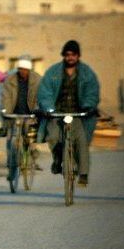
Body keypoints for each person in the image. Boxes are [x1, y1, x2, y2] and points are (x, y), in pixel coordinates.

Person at [38, 40, 100, 186]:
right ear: (64, 56)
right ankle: (58, 159)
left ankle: (83, 174)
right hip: (57, 113)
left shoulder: (86, 73)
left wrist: (88, 106)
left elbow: (92, 91)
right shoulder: (53, 72)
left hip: (77, 114)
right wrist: (48, 108)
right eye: (67, 54)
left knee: (81, 141)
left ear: (78, 56)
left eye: (73, 54)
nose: (70, 57)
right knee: (52, 136)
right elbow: (44, 92)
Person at [1, 55, 42, 179]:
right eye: (20, 69)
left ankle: (32, 152)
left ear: (29, 70)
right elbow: (6, 96)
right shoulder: (10, 79)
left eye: (25, 69)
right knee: (11, 141)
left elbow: (39, 97)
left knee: (29, 136)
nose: (22, 72)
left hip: (30, 113)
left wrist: (36, 111)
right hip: (14, 114)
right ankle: (11, 168)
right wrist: (6, 111)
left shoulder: (37, 80)